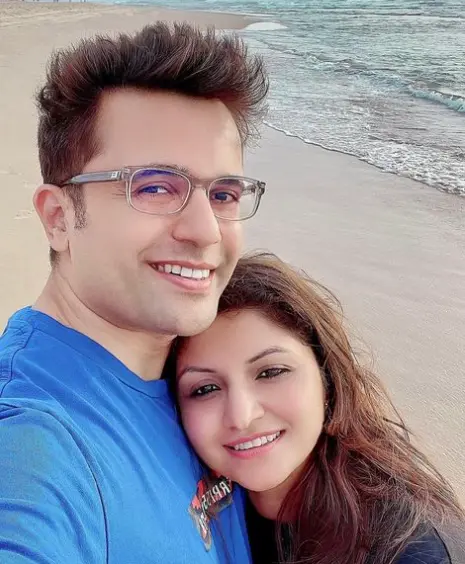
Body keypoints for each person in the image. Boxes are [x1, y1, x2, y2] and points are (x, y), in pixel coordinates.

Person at [0, 23, 268, 562]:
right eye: (153, 186)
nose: (206, 231)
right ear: (58, 218)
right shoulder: (34, 441)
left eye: (223, 193)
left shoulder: (208, 379)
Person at [175, 252, 465, 564]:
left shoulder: (411, 551)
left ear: (327, 380)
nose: (241, 416)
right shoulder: (204, 510)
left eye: (271, 372)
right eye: (205, 389)